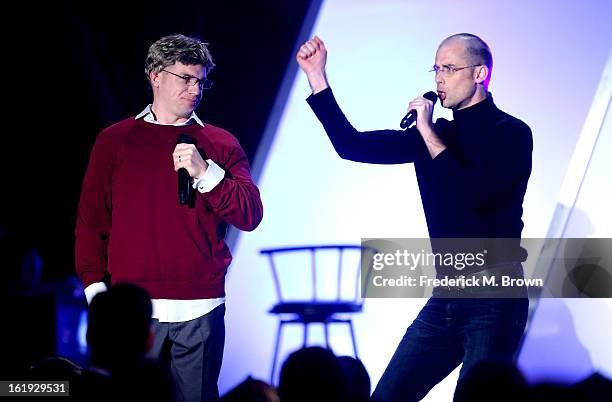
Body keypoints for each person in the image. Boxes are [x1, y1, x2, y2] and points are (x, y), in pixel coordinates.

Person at [296, 33, 532, 401]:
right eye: (436, 69)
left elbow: (472, 195)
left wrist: (427, 131)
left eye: (450, 69)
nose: (439, 78)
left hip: (495, 296)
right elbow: (351, 145)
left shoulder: (511, 133)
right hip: (447, 295)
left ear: (479, 73)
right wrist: (317, 77)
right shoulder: (436, 134)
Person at [76, 33, 264, 402]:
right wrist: (98, 297)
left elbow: (250, 214)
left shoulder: (219, 143)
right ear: (156, 76)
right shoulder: (115, 141)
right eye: (186, 78)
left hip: (200, 307)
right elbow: (91, 223)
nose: (196, 89)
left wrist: (206, 172)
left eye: (201, 80)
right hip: (131, 311)